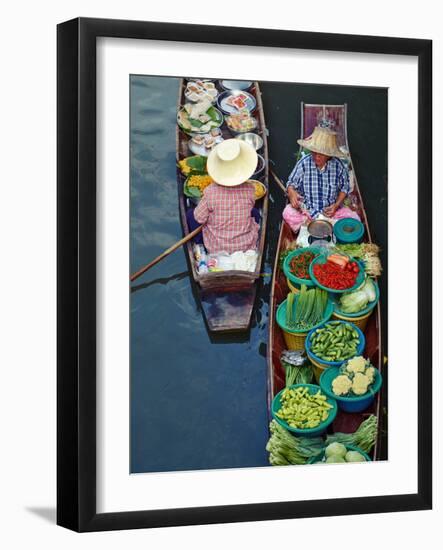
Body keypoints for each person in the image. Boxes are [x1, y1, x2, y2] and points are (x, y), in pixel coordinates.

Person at [186, 139, 260, 254]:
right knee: (255, 212)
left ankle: (199, 242)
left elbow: (199, 218)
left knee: (191, 215)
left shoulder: (210, 192)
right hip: (245, 244)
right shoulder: (250, 189)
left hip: (216, 247)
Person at [283, 126, 360, 233]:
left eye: (321, 154)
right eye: (314, 152)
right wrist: (291, 192)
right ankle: (313, 226)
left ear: (328, 155)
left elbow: (345, 188)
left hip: (331, 213)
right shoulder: (304, 163)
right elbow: (291, 183)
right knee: (287, 212)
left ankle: (322, 226)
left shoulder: (338, 166)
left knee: (355, 218)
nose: (316, 157)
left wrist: (336, 205)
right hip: (308, 212)